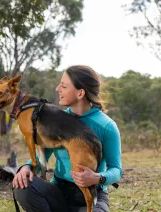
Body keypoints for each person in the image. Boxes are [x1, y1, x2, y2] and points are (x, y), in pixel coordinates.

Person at [13, 65, 122, 212]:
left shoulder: (106, 126)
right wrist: (26, 167)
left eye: (63, 86)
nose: (58, 89)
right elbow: (43, 154)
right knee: (23, 186)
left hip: (91, 194)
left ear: (80, 93)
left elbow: (116, 170)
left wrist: (97, 178)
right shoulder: (57, 119)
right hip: (59, 192)